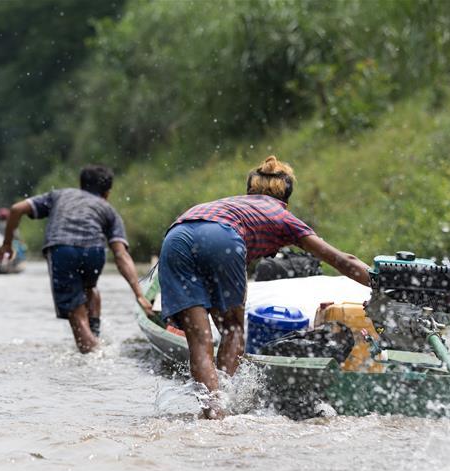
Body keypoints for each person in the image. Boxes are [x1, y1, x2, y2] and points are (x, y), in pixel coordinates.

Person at [158, 155, 371, 418]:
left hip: (176, 237)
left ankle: (212, 412)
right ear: (286, 200)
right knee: (233, 330)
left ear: (250, 191)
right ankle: (222, 407)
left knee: (200, 341)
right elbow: (342, 260)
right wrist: (381, 282)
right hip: (221, 238)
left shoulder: (231, 204)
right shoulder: (283, 216)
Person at [0, 164, 153, 353]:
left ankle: (93, 352)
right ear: (107, 193)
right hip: (94, 251)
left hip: (62, 250)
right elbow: (121, 255)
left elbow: (16, 209)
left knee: (76, 314)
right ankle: (95, 336)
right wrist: (139, 295)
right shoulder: (109, 210)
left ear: (81, 184)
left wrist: (7, 244)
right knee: (90, 288)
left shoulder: (59, 196)